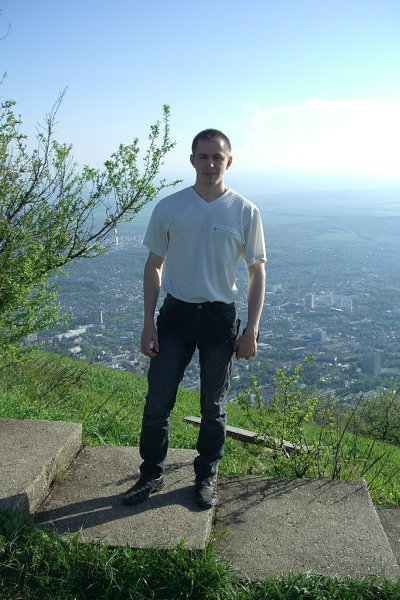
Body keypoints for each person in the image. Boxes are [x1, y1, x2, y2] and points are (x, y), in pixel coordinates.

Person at [123, 129, 266, 509]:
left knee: (213, 408)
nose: (210, 164)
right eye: (203, 156)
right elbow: (153, 265)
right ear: (192, 160)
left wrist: (251, 330)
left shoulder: (245, 211)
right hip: (176, 314)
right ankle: (151, 474)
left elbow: (257, 272)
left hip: (220, 318)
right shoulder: (170, 207)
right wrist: (148, 321)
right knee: (157, 402)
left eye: (217, 157)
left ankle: (206, 477)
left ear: (228, 161)